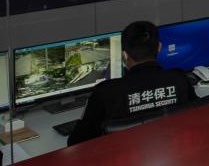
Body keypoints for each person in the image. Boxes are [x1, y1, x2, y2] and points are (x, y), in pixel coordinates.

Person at [68, 21, 197, 146]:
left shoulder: (105, 92)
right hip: (172, 150)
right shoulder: (179, 79)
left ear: (124, 55)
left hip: (122, 157)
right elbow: (198, 114)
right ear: (159, 48)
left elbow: (76, 142)